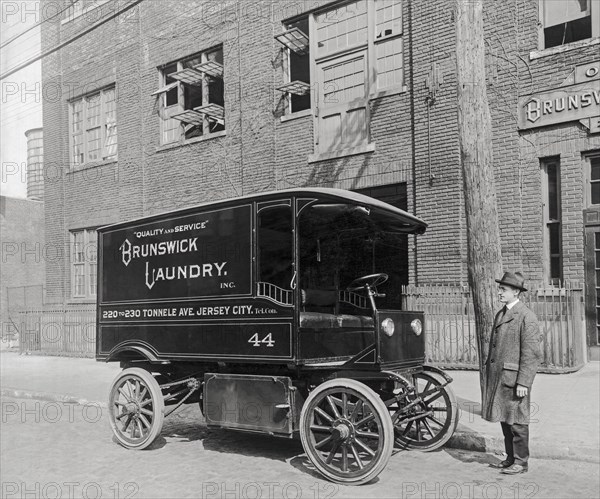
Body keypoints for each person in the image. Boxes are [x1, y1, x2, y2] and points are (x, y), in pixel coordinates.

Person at [482, 271, 542, 475]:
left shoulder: (526, 317)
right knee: (505, 420)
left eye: (503, 289)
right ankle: (510, 458)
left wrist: (524, 382)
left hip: (515, 379)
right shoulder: (502, 313)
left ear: (516, 292)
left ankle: (521, 462)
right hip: (502, 378)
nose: (499, 292)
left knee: (517, 422)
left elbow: (532, 354)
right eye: (500, 289)